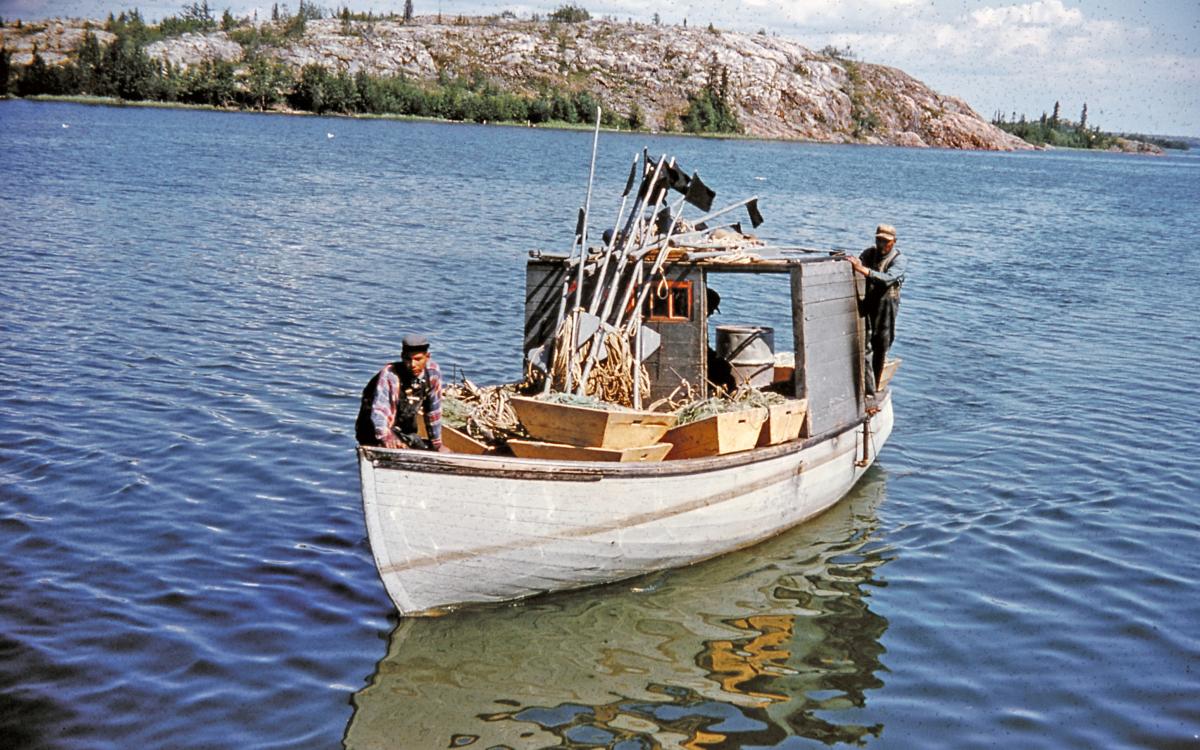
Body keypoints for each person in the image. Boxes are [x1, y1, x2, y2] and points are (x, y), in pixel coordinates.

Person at [355, 333, 445, 451]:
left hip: (403, 429)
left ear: (427, 357)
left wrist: (437, 444)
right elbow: (380, 412)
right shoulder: (390, 375)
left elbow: (433, 412)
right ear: (402, 357)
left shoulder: (432, 373)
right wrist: (387, 438)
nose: (412, 365)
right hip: (372, 428)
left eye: (418, 359)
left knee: (423, 446)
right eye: (408, 359)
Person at [847, 223, 907, 397]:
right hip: (869, 302)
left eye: (885, 241)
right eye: (878, 240)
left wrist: (862, 269)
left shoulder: (899, 259)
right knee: (865, 345)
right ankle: (868, 388)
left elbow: (887, 279)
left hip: (886, 305)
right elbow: (858, 263)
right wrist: (851, 262)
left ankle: (873, 386)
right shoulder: (869, 253)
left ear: (893, 242)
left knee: (881, 346)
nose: (881, 244)